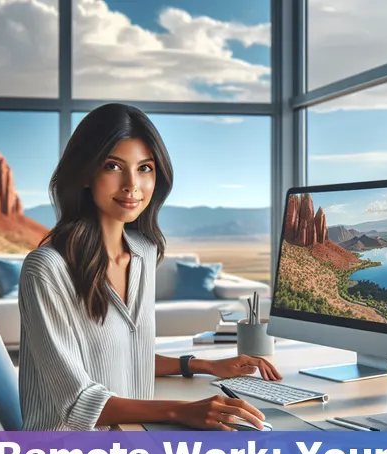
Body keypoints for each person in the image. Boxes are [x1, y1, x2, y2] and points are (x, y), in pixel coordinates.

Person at [18, 102, 281, 433]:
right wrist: (181, 411)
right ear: (85, 172)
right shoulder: (47, 270)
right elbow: (77, 401)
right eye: (113, 166)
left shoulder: (143, 252)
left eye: (145, 168)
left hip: (133, 437)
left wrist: (205, 366)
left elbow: (125, 359)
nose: (132, 185)